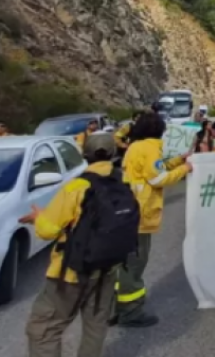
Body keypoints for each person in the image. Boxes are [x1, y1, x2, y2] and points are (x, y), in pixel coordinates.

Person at [22, 133, 138, 357]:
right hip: (108, 268)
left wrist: (39, 217)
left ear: (85, 155)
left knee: (43, 330)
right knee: (96, 325)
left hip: (73, 273)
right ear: (113, 154)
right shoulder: (123, 183)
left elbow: (48, 230)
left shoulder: (76, 187)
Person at [116, 113, 193, 327]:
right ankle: (130, 312)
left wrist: (178, 160)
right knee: (134, 264)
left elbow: (157, 167)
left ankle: (115, 308)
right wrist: (184, 169)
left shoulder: (135, 146)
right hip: (139, 215)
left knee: (123, 264)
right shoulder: (150, 147)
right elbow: (158, 178)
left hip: (126, 212)